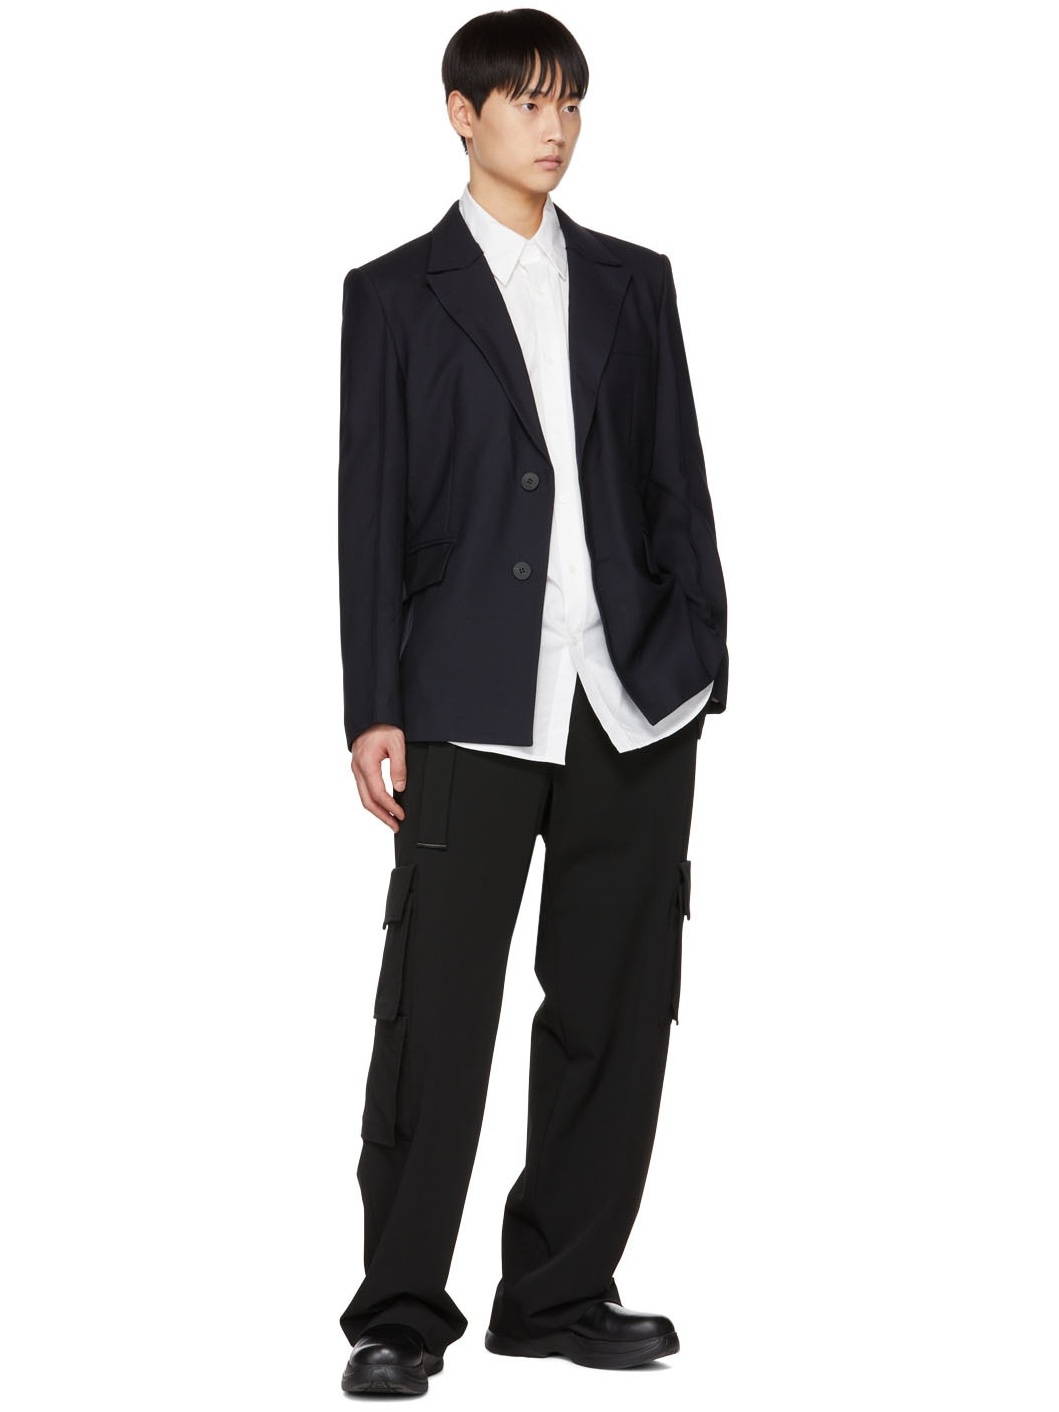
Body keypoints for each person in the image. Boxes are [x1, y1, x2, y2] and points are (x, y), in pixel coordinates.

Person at [336, 7, 728, 1396]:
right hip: (468, 699)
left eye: (571, 104)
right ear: (464, 113)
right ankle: (400, 1312)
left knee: (616, 1006)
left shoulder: (634, 283)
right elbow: (370, 510)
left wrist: (701, 656)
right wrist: (372, 703)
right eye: (527, 102)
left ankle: (559, 1293)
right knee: (435, 1015)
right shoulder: (396, 295)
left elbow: (678, 481)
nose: (554, 127)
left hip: (632, 698)